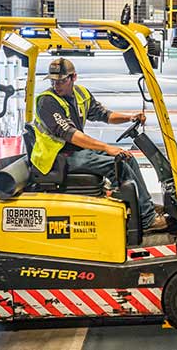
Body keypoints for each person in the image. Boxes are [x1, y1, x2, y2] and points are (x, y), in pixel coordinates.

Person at [30, 58, 167, 232]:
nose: (57, 85)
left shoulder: (81, 94)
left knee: (127, 158)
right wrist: (106, 148)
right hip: (56, 158)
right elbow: (70, 135)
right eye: (53, 81)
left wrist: (129, 117)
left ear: (74, 78)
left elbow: (104, 115)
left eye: (62, 80)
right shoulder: (47, 101)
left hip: (73, 152)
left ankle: (144, 206)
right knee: (117, 165)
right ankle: (147, 219)